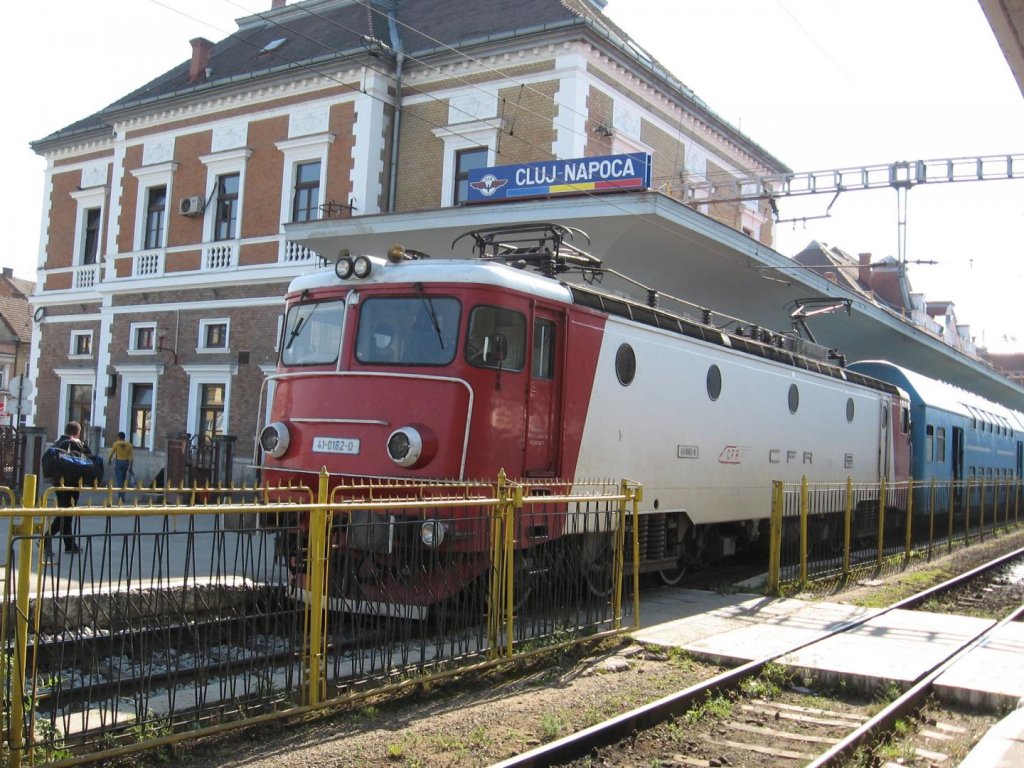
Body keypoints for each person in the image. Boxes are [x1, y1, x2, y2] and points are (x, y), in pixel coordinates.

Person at [45, 421, 92, 558]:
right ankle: (46, 539)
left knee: (66, 513)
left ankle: (69, 544)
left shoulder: (57, 442)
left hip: (58, 483)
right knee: (65, 514)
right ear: (77, 432)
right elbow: (89, 456)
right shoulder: (74, 443)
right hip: (71, 483)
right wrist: (80, 443)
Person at [108, 431, 134, 503]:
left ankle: (121, 497)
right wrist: (131, 466)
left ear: (119, 437)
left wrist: (109, 460)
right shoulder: (129, 445)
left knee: (119, 480)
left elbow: (111, 453)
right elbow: (131, 457)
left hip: (118, 462)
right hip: (126, 462)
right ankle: (123, 495)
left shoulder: (116, 444)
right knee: (123, 479)